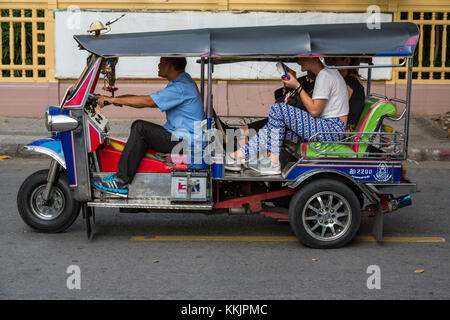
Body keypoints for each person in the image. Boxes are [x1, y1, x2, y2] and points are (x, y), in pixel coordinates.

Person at [92, 57, 204, 195]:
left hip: (185, 142)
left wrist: (113, 99)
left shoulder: (181, 87)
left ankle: (121, 180)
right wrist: (116, 99)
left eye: (162, 62)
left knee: (140, 128)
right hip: (180, 136)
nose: (158, 65)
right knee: (142, 129)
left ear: (170, 66)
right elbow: (148, 97)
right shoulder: (180, 82)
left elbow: (148, 101)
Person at [225, 57, 349, 175]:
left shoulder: (325, 76)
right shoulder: (328, 74)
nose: (299, 62)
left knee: (278, 109)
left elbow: (314, 110)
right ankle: (239, 155)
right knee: (274, 128)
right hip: (329, 128)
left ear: (313, 57)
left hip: (330, 129)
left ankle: (272, 162)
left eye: (301, 57)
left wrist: (297, 86)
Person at [327, 57, 365, 131]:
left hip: (347, 129)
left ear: (347, 61)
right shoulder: (347, 79)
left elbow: (336, 106)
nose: (330, 63)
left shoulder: (350, 81)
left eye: (334, 60)